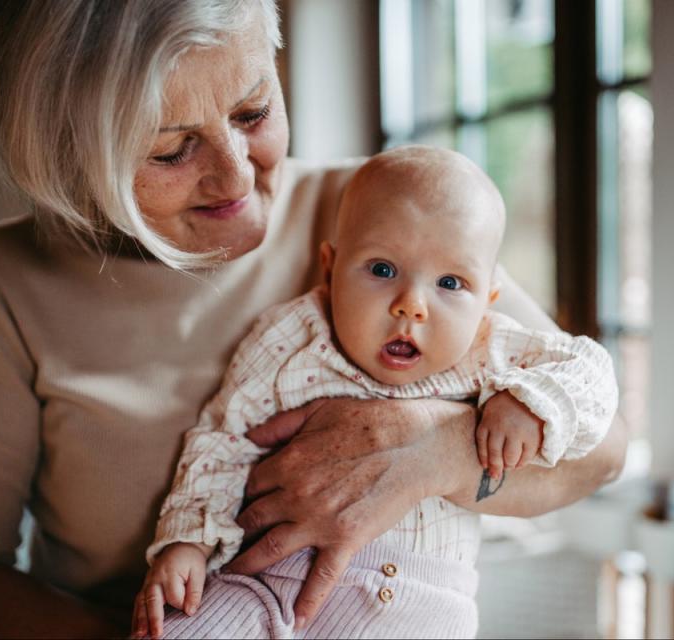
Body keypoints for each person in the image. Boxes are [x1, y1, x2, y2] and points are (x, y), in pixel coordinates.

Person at [0, 1, 628, 638]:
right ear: (71, 158)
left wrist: (436, 453)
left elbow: (602, 446)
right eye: (172, 150)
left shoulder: (385, 217)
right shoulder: (2, 286)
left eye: (253, 112)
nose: (237, 176)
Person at [132, 146, 619, 639]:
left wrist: (531, 402)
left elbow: (591, 369)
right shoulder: (289, 337)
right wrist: (188, 541)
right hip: (264, 586)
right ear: (331, 267)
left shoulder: (492, 348)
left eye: (450, 283)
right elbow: (222, 440)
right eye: (382, 270)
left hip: (421, 612)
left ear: (488, 299)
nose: (412, 306)